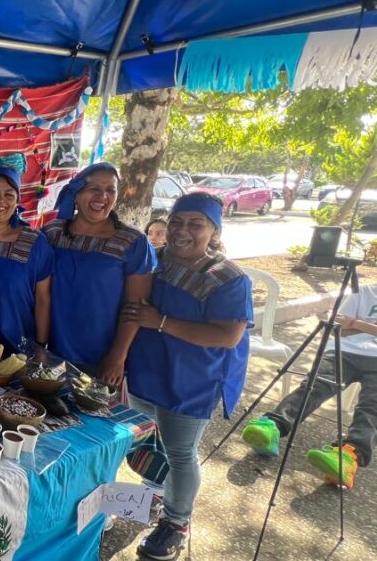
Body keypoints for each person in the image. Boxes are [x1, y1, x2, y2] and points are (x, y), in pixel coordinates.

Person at [120, 193, 252, 560]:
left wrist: (160, 322)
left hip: (193, 380)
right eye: (177, 222)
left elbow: (228, 336)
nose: (182, 230)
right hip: (147, 369)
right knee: (149, 441)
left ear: (214, 231)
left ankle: (176, 522)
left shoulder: (227, 278)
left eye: (196, 224)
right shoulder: (153, 261)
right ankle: (154, 492)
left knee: (180, 452)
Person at [241, 282, 377, 489]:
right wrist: (361, 326)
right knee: (315, 386)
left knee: (372, 407)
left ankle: (350, 456)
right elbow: (337, 324)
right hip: (344, 351)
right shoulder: (365, 291)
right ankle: (273, 427)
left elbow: (347, 324)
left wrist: (356, 324)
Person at [44, 162, 155, 385]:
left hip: (100, 356)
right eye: (93, 188)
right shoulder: (52, 233)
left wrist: (117, 356)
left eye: (110, 190)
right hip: (51, 350)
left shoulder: (132, 241)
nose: (102, 196)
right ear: (76, 193)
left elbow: (135, 307)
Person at [0, 166, 54, 353]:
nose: (0, 200)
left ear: (17, 202)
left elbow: (43, 298)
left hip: (16, 348)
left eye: (9, 195)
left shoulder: (35, 242)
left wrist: (41, 345)